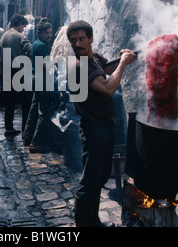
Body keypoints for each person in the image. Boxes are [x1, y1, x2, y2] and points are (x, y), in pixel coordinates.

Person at [66, 20, 137, 227]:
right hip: (94, 129)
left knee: (100, 177)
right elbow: (107, 86)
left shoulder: (94, 58)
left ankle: (93, 221)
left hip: (104, 127)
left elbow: (107, 69)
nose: (77, 44)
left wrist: (123, 59)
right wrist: (123, 64)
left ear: (90, 39)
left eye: (81, 39)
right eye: (73, 40)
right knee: (89, 182)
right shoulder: (79, 66)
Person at [22, 18, 55, 153]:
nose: (49, 35)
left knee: (34, 109)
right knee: (44, 112)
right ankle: (36, 143)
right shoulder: (41, 46)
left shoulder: (36, 43)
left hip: (35, 77)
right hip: (41, 78)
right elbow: (45, 65)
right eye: (46, 33)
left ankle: (27, 137)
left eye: (50, 32)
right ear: (40, 33)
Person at [0, 14, 32, 138]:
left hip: (6, 70)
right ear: (19, 23)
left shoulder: (4, 35)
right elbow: (30, 50)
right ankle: (25, 130)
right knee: (25, 102)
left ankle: (8, 128)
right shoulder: (20, 36)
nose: (23, 28)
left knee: (9, 103)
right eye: (23, 25)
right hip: (19, 72)